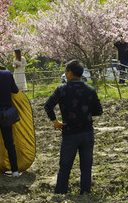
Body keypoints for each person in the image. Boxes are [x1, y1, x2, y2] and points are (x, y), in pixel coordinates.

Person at [44, 59, 103, 195]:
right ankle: (85, 192)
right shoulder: (90, 89)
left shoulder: (62, 89)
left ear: (69, 72)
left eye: (66, 70)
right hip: (87, 132)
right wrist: (85, 112)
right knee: (86, 166)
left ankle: (60, 192)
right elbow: (99, 111)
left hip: (69, 132)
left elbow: (48, 106)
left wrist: (55, 121)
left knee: (65, 167)